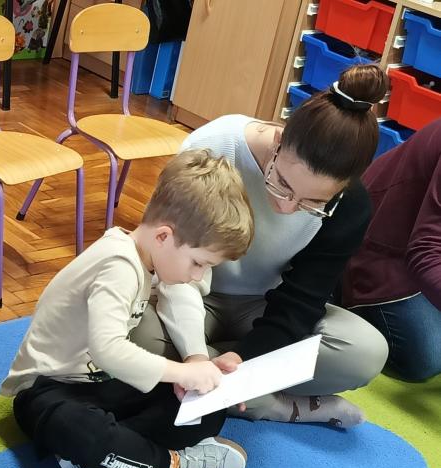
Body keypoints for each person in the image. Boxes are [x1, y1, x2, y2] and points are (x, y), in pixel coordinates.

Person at [130, 64, 390, 427]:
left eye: (312, 203)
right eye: (281, 182)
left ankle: (212, 388)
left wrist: (239, 357)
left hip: (262, 306)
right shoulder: (215, 148)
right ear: (278, 139)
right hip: (186, 294)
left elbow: (299, 305)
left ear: (343, 187)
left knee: (364, 352)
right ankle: (272, 403)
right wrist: (195, 356)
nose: (286, 206)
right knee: (130, 335)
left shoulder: (350, 205)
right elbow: (170, 264)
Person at [0, 149, 254, 468]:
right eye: (198, 263)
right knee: (76, 429)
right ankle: (175, 464)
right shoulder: (118, 264)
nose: (198, 276)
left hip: (98, 386)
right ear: (164, 236)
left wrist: (199, 371)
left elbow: (127, 358)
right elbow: (108, 350)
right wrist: (181, 372)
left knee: (207, 409)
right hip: (45, 390)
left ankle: (101, 461)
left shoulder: (148, 257)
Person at [341, 117, 441, 382]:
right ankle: (340, 293)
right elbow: (425, 251)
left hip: (424, 241)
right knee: (427, 357)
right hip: (381, 244)